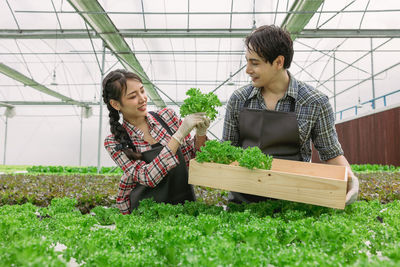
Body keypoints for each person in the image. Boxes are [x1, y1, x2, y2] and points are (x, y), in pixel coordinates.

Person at [222, 25, 359, 206]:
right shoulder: (239, 100)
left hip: (294, 201)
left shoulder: (314, 102)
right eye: (247, 61)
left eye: (254, 63)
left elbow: (331, 154)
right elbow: (225, 153)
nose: (247, 70)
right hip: (242, 203)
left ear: (278, 62)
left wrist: (351, 179)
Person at [102, 69, 210, 214]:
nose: (142, 98)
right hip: (145, 213)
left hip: (183, 203)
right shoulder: (114, 142)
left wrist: (201, 134)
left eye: (142, 91)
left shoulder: (167, 117)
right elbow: (147, 177)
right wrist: (177, 137)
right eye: (133, 96)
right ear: (116, 104)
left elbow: (193, 158)